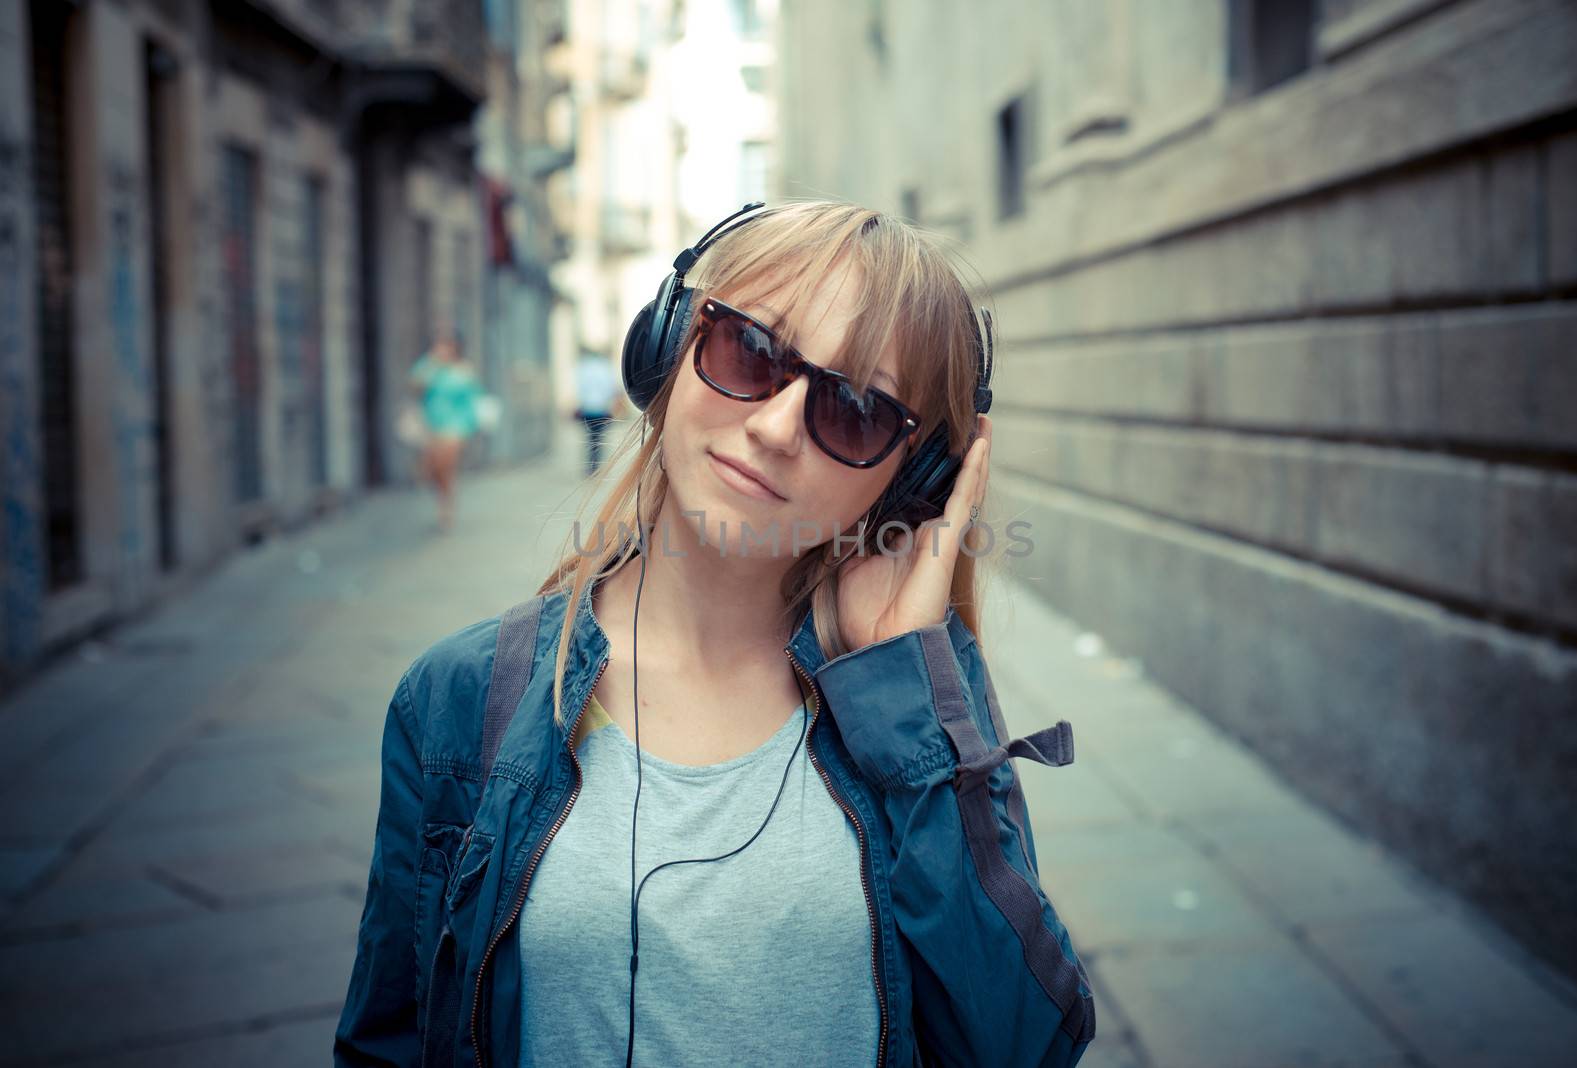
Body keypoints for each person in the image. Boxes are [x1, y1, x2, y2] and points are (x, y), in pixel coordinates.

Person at [335, 201, 1096, 1066]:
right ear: (666, 347)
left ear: (913, 481)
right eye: (751, 351)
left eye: (855, 410)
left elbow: (1022, 1047)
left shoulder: (917, 694)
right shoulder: (460, 697)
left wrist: (903, 695)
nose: (774, 430)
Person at [408, 326, 484, 532]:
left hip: (455, 427)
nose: (444, 349)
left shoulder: (463, 370)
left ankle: (446, 509)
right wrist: (431, 362)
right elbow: (415, 384)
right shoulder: (430, 367)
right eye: (440, 345)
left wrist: (470, 427)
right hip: (432, 426)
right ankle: (445, 498)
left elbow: (473, 400)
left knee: (446, 465)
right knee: (432, 470)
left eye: (448, 345)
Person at [575, 347, 619, 476]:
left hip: (587, 410)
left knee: (590, 438)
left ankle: (590, 466)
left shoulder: (583, 368)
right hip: (602, 410)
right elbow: (611, 389)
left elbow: (580, 388)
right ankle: (596, 466)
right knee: (599, 439)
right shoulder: (606, 368)